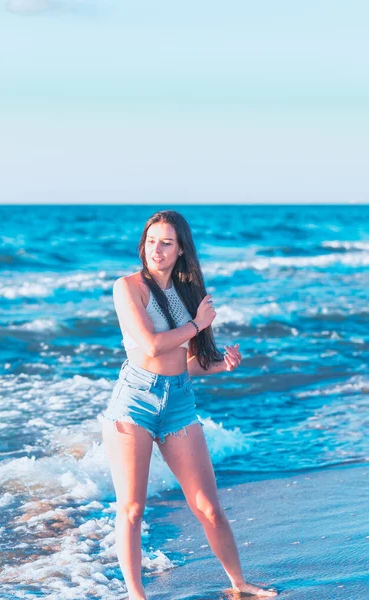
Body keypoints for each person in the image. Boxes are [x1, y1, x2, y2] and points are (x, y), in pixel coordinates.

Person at [102, 210, 278, 599]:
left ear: (181, 250)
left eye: (166, 243)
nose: (157, 250)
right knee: (131, 508)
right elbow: (149, 346)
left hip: (179, 400)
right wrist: (198, 324)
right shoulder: (127, 287)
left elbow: (186, 362)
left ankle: (240, 584)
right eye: (151, 241)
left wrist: (220, 365)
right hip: (136, 401)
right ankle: (136, 594)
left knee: (207, 507)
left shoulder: (187, 296)